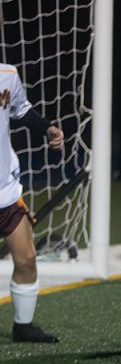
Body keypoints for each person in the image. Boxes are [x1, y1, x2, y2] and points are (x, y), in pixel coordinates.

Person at [0, 62, 64, 343]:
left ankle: (23, 326)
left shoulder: (7, 74)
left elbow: (21, 109)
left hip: (6, 189)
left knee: (26, 259)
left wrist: (47, 128)